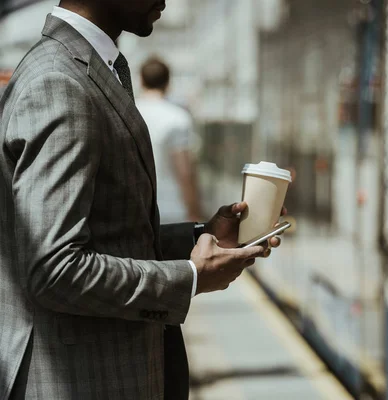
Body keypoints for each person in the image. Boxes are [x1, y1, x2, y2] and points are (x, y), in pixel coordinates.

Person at [0, 1, 283, 399]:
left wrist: (203, 235)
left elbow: (108, 233)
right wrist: (191, 277)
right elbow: (55, 270)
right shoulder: (58, 82)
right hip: (81, 382)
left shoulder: (83, 68)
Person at [137, 57, 203, 223]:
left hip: (136, 209)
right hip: (171, 210)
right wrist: (194, 210)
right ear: (168, 82)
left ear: (141, 80)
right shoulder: (177, 118)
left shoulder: (126, 112)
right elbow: (185, 171)